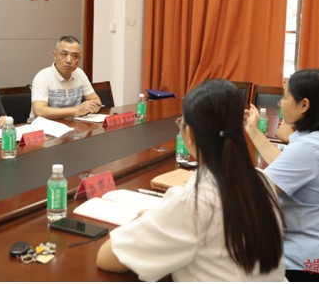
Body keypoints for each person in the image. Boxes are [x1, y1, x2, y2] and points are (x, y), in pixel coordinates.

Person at [96, 79, 285, 281]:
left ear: (189, 133)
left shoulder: (193, 202)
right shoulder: (261, 180)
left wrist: (146, 219)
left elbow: (107, 258)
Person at [245, 69, 319, 282]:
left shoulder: (309, 148)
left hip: (304, 263)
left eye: (285, 97)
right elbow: (286, 166)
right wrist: (254, 132)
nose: (280, 103)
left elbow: (256, 195)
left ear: (304, 105)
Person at [31, 36, 101, 120]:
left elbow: (96, 100)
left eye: (74, 56)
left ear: (79, 58)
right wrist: (76, 110)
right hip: (43, 126)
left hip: (72, 124)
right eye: (64, 54)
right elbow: (39, 111)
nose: (69, 60)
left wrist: (93, 107)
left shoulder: (80, 74)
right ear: (54, 55)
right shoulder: (43, 77)